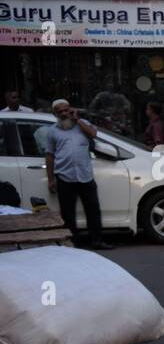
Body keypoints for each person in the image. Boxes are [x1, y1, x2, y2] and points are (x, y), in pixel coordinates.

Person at [42, 99, 111, 250]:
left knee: (93, 209)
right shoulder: (53, 131)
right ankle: (73, 243)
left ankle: (97, 240)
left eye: (66, 110)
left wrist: (78, 119)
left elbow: (93, 134)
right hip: (65, 176)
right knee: (68, 213)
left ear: (71, 109)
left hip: (85, 175)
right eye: (60, 112)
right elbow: (49, 155)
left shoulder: (82, 124)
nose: (64, 113)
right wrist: (50, 179)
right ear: (55, 114)